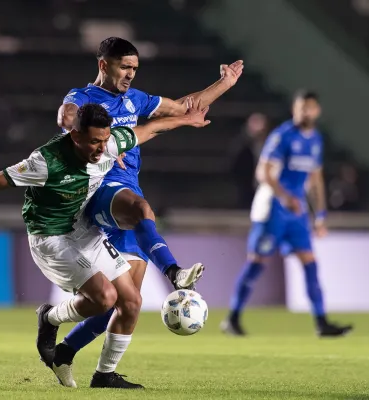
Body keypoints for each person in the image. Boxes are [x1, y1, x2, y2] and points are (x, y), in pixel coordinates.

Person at [0, 102, 211, 389]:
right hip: (50, 237)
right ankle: (50, 317)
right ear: (75, 135)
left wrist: (186, 119)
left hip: (84, 230)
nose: (101, 149)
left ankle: (104, 376)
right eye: (94, 142)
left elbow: (148, 131)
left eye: (105, 141)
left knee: (131, 302)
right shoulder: (44, 162)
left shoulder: (109, 143)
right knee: (105, 298)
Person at [52, 37, 243, 385]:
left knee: (126, 303)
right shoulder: (82, 98)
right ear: (103, 65)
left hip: (126, 193)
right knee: (142, 210)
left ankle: (76, 359)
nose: (130, 75)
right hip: (100, 191)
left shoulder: (135, 100)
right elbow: (67, 117)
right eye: (125, 67)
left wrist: (224, 83)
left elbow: (187, 107)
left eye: (135, 69)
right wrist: (101, 140)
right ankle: (174, 272)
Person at [220, 90, 353, 337]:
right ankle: (233, 318)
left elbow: (315, 180)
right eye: (301, 107)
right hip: (273, 208)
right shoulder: (282, 136)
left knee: (310, 264)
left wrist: (320, 215)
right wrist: (284, 197)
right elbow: (263, 173)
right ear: (294, 109)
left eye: (309, 107)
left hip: (297, 211)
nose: (305, 112)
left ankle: (322, 323)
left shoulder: (315, 140)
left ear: (317, 111)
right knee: (256, 264)